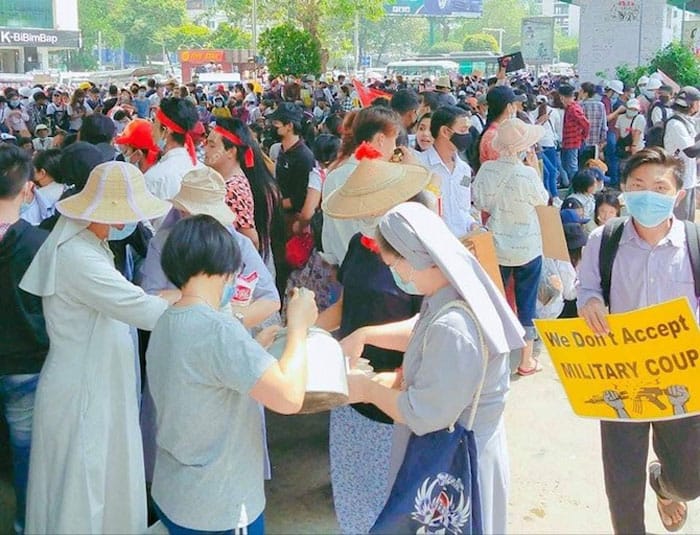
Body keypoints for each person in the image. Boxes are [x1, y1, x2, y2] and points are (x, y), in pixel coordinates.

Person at [342, 202, 525, 535]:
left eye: (394, 264)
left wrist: (366, 389)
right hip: (468, 450)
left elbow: (424, 413)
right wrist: (366, 335)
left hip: (456, 463)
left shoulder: (453, 326)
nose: (396, 274)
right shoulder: (453, 290)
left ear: (414, 255)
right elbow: (422, 330)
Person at [19, 161, 176, 533]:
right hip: (84, 390)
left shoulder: (91, 243)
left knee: (100, 479)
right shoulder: (79, 256)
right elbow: (145, 310)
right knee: (84, 487)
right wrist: (193, 299)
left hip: (96, 382)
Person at [146, 214, 318, 534]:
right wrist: (298, 324)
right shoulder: (218, 329)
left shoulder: (169, 319)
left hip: (177, 493)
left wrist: (254, 344)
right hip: (219, 505)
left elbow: (207, 374)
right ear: (223, 266)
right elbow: (289, 397)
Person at [577, 147, 700, 534]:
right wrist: (592, 302)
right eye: (638, 185)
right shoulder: (606, 237)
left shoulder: (694, 242)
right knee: (622, 485)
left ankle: (664, 485)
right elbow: (587, 287)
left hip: (681, 378)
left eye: (659, 187)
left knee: (690, 479)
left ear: (677, 195)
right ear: (625, 191)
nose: (648, 194)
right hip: (620, 377)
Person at [318, 155, 430, 534]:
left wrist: (373, 348)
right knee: (352, 494)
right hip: (349, 390)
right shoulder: (358, 245)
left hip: (395, 394)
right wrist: (304, 334)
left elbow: (427, 325)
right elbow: (347, 304)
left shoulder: (421, 257)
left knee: (394, 503)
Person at [472, 118, 549, 376]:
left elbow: (479, 201)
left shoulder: (487, 170)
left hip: (496, 246)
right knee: (527, 304)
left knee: (494, 301)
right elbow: (542, 200)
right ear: (523, 147)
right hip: (528, 247)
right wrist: (534, 167)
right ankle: (526, 361)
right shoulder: (528, 174)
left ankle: (492, 359)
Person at [0, 145, 50, 535]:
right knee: (26, 454)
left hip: (20, 364)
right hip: (26, 365)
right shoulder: (38, 244)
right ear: (27, 190)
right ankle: (25, 523)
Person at [417, 105, 479, 237]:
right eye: (463, 130)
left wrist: (472, 224)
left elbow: (464, 208)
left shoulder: (464, 170)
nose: (467, 135)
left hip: (462, 241)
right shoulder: (420, 166)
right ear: (445, 131)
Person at [145, 96, 200, 202]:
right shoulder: (200, 168)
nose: (151, 130)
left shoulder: (154, 178)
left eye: (154, 123)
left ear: (166, 131)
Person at [663, 86, 700, 222]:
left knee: (688, 220)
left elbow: (692, 142)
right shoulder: (675, 124)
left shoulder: (684, 122)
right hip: (679, 180)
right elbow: (691, 151)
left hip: (688, 179)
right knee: (681, 222)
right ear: (692, 104)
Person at [559, 84, 590, 180]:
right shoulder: (571, 107)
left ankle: (576, 188)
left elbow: (586, 124)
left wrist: (583, 137)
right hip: (569, 142)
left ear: (562, 97)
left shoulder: (573, 109)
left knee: (572, 167)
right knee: (567, 165)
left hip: (572, 142)